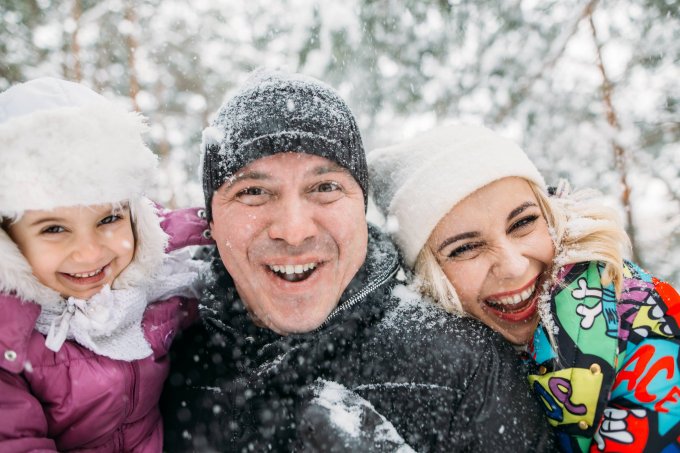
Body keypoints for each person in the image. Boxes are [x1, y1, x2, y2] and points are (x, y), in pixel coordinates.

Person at [160, 69, 555, 452]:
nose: (294, 230)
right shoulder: (161, 366)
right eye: (253, 192)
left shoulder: (460, 364)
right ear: (210, 218)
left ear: (361, 210)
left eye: (325, 187)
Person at [368, 123, 680, 452]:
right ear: (426, 277)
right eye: (465, 248)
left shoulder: (636, 327)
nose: (514, 266)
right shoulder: (431, 373)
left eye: (523, 222)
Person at [0, 77, 210, 451]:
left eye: (108, 220)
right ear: (9, 237)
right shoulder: (9, 342)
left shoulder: (155, 280)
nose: (89, 252)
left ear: (134, 216)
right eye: (54, 229)